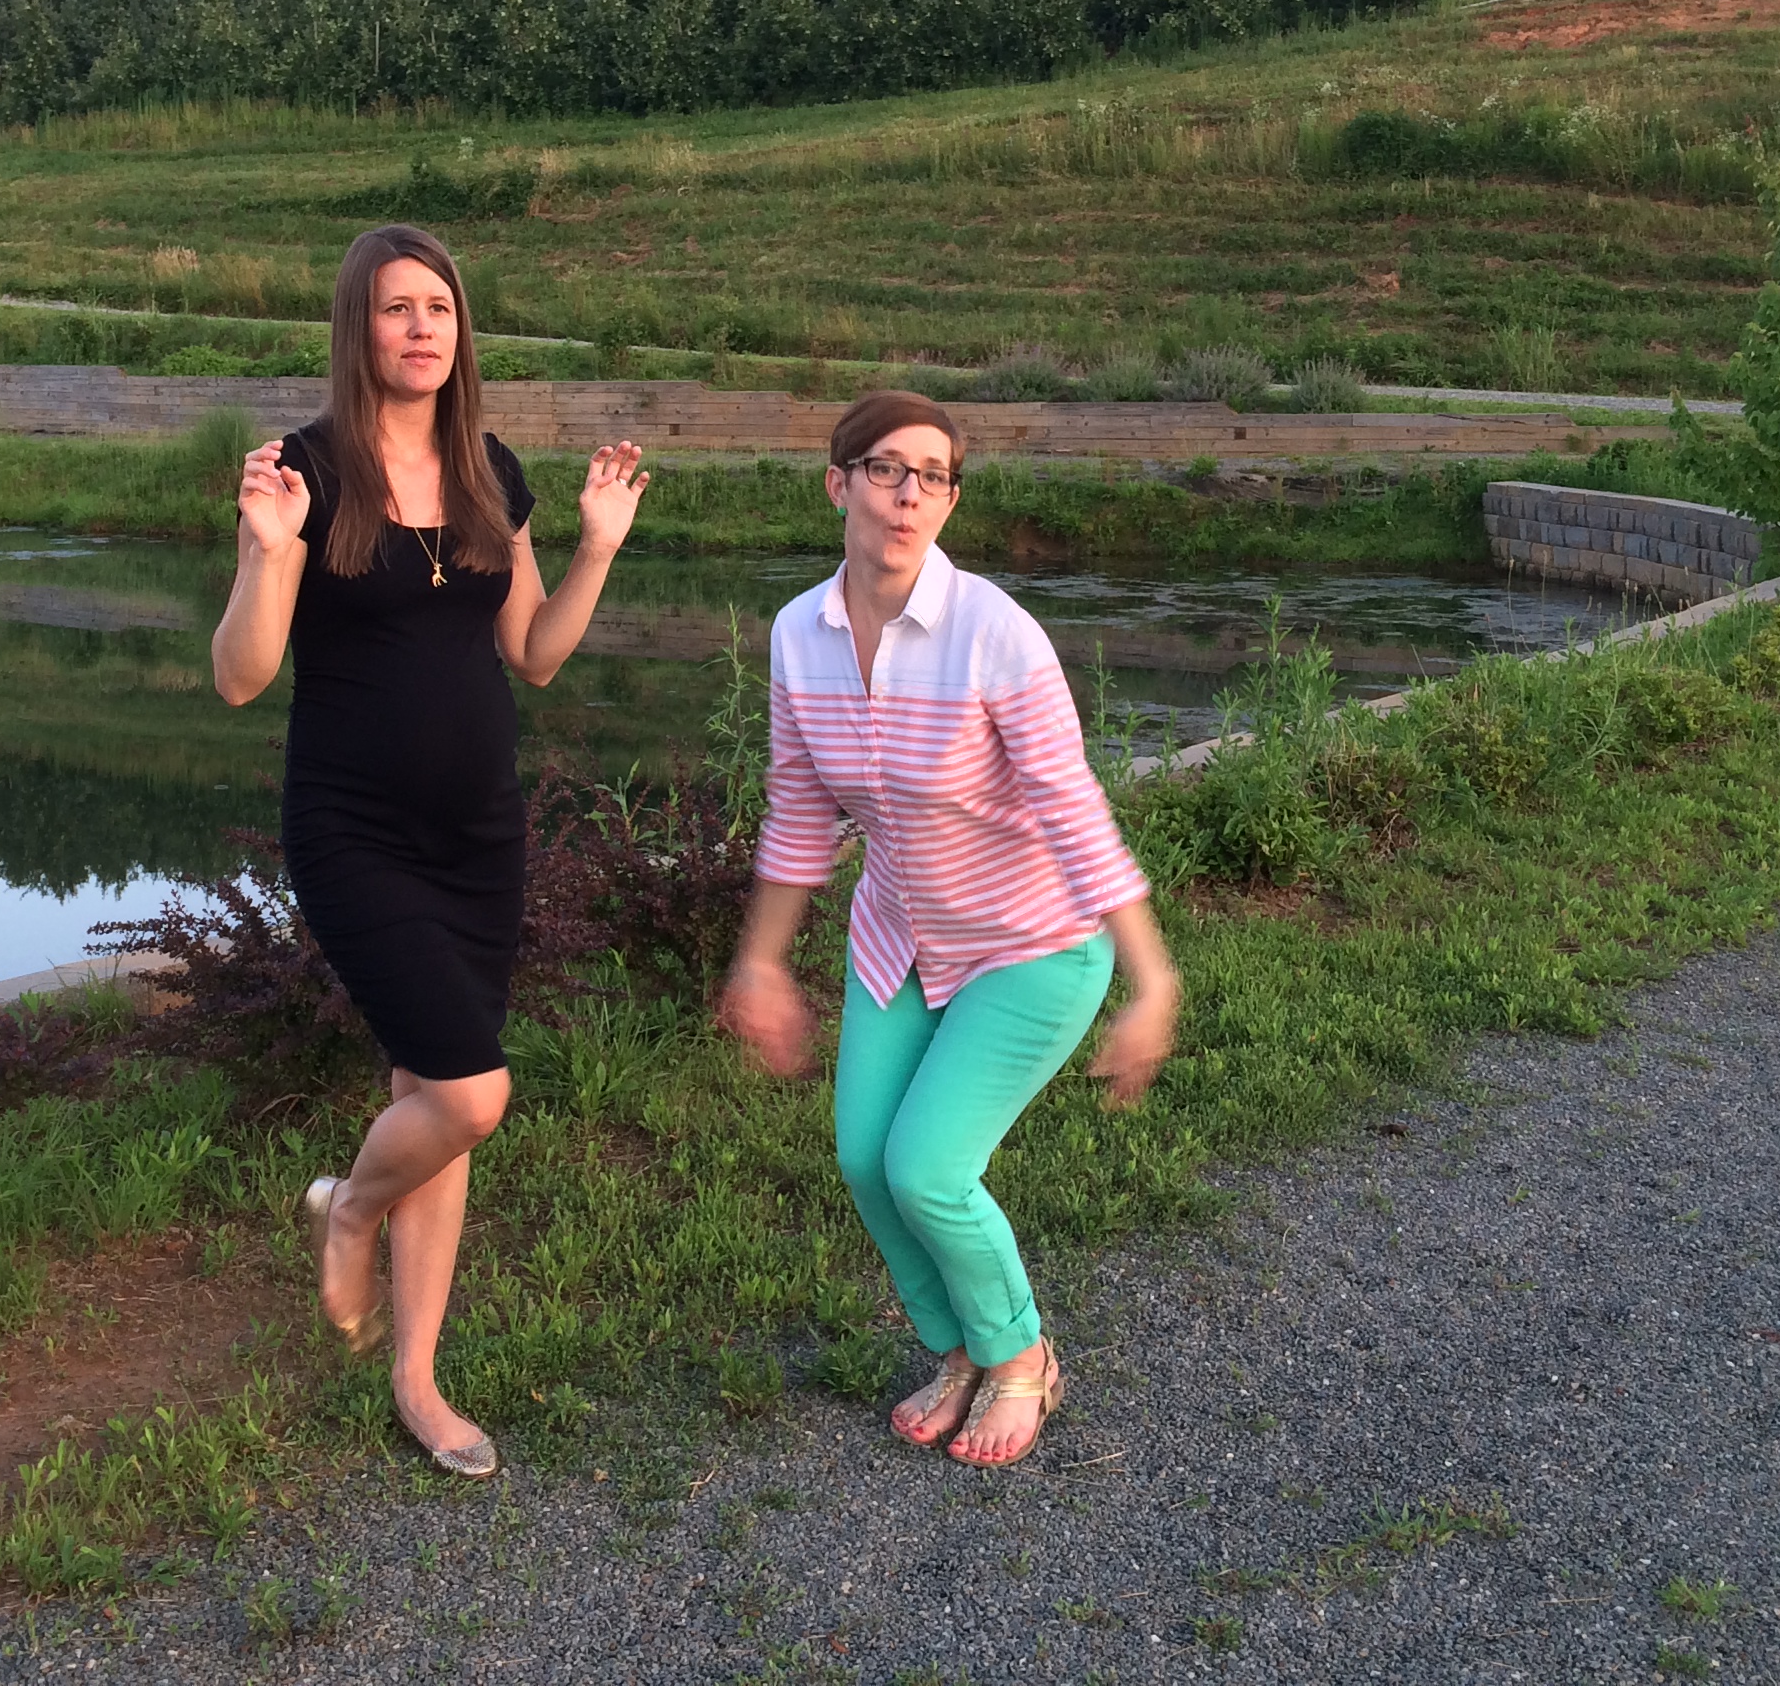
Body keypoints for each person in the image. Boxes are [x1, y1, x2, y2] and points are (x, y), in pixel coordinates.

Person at [209, 223, 648, 1478]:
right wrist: (268, 554)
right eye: (398, 307)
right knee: (470, 1094)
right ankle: (349, 1209)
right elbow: (241, 676)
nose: (421, 328)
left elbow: (535, 655)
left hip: (478, 836)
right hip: (354, 828)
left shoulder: (489, 469)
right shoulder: (302, 472)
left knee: (432, 1097)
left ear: (462, 332)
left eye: (440, 308)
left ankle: (417, 1379)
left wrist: (597, 547)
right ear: (360, 325)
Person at [719, 389, 1179, 1468]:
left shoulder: (994, 634)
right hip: (900, 941)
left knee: (926, 1166)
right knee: (864, 1159)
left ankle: (1021, 1356)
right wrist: (762, 960)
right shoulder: (798, 634)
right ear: (839, 485)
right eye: (886, 468)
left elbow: (1074, 809)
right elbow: (799, 810)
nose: (908, 494)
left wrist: (1151, 979)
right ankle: (962, 1348)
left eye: (933, 476)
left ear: (950, 501)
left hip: (1032, 944)